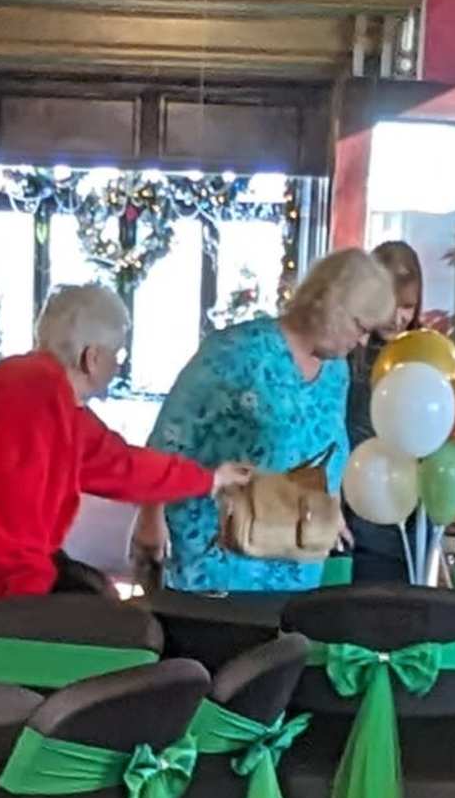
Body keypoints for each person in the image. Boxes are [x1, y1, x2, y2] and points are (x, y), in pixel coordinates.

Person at [0, 281, 234, 664]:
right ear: (92, 357)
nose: (119, 364)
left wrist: (210, 479)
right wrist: (29, 615)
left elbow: (119, 464)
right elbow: (12, 519)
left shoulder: (51, 394)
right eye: (118, 354)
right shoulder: (30, 394)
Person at [145, 246, 396, 599]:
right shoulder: (236, 351)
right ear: (333, 306)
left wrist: (330, 511)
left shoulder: (336, 371)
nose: (363, 341)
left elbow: (328, 447)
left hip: (296, 559)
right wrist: (149, 518)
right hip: (217, 561)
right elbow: (169, 439)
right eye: (360, 327)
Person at [341, 236, 430, 581]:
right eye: (390, 304)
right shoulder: (344, 353)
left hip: (402, 524)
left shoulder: (428, 355)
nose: (398, 317)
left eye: (408, 305)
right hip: (343, 516)